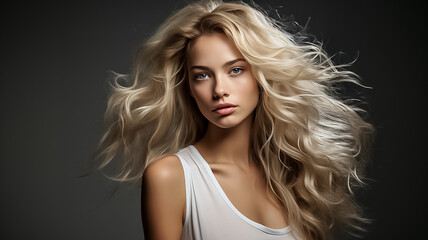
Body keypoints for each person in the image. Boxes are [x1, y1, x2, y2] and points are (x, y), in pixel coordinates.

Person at [95, 0, 373, 239]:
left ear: (261, 76)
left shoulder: (296, 177)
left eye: (236, 70)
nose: (219, 90)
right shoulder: (171, 177)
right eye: (202, 75)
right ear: (189, 88)